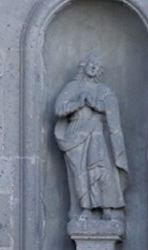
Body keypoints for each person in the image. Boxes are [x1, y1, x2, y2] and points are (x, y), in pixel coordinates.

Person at [54, 52, 129, 224]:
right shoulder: (73, 87)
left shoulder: (103, 91)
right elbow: (58, 109)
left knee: (100, 168)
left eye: (98, 67)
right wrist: (79, 102)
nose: (95, 68)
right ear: (84, 65)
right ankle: (85, 208)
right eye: (92, 64)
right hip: (76, 134)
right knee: (80, 173)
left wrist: (96, 104)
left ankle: (107, 208)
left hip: (97, 134)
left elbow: (111, 109)